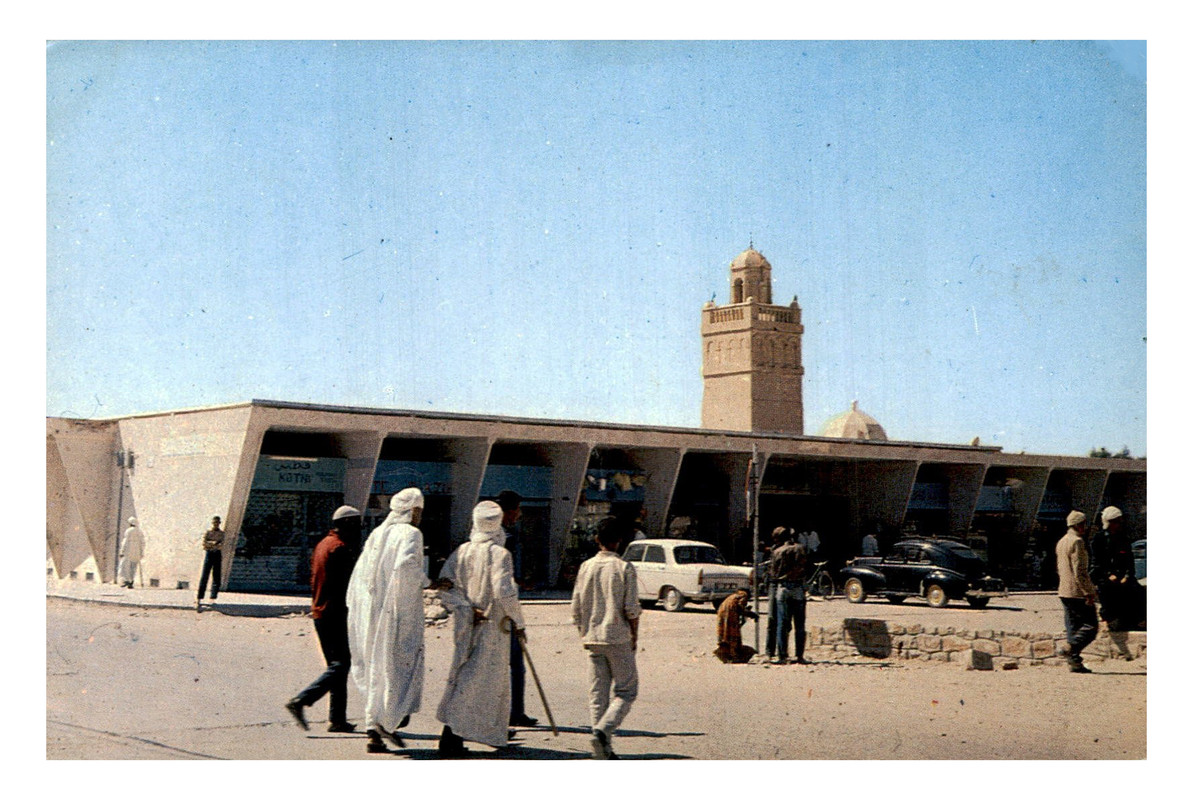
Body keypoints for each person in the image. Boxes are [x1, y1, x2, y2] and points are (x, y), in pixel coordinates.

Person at [345, 488, 439, 754]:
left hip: (370, 615)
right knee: (395, 668)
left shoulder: (377, 534)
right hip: (396, 614)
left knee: (377, 669)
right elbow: (407, 567)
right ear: (413, 510)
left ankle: (375, 728)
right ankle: (386, 721)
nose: (420, 515)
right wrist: (430, 582)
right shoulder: (411, 534)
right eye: (418, 510)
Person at [436, 501, 526, 757]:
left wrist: (464, 608)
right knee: (476, 681)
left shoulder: (462, 551)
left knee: (477, 679)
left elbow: (446, 585)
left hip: (467, 627)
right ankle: (451, 737)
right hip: (492, 628)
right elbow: (504, 591)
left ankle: (490, 731)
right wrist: (519, 622)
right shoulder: (500, 555)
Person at [286, 505, 363, 734]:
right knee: (341, 664)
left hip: (321, 611)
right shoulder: (340, 548)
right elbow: (352, 585)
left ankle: (337, 719)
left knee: (336, 665)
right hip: (335, 612)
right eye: (356, 525)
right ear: (347, 525)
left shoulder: (324, 544)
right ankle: (301, 700)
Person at [572, 517, 641, 759]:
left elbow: (576, 607)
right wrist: (634, 635)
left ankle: (602, 748)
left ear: (596, 539)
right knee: (626, 691)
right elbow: (631, 607)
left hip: (592, 637)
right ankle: (604, 731)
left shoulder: (586, 566)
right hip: (617, 636)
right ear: (619, 540)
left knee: (597, 694)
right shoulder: (624, 567)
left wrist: (584, 632)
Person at [497, 489, 537, 728]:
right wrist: (518, 622)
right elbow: (505, 582)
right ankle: (514, 712)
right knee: (515, 664)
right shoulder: (505, 540)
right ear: (510, 512)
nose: (519, 514)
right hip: (504, 611)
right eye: (518, 510)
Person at [1056, 510, 1099, 673]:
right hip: (1076, 592)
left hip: (1064, 590)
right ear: (1078, 525)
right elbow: (1080, 571)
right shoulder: (1077, 542)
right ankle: (1070, 647)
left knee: (1073, 628)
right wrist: (1088, 591)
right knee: (1090, 626)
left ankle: (1075, 662)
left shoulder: (1061, 541)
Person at [1091, 506, 1138, 632]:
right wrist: (1108, 574)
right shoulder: (1099, 539)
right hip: (1105, 578)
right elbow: (1097, 562)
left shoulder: (1123, 538)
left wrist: (1127, 576)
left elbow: (1129, 559)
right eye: (1116, 521)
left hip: (1123, 577)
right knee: (1108, 596)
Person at [770, 529, 809, 664]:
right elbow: (804, 567)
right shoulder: (800, 549)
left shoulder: (777, 552)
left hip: (783, 588)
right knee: (799, 624)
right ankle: (799, 656)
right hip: (797, 587)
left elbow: (773, 573)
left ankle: (782, 655)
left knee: (782, 624)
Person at [714, 588, 758, 664]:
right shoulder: (744, 595)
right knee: (733, 634)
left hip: (723, 613)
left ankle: (727, 652)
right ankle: (733, 654)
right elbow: (740, 606)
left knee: (726, 633)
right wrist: (751, 614)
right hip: (730, 614)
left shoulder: (734, 596)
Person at [763, 526, 786, 660]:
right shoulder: (776, 549)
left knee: (776, 620)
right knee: (778, 620)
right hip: (777, 584)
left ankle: (773, 651)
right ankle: (774, 651)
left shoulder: (780, 550)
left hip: (776, 584)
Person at [196, 516, 224, 610]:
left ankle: (213, 597)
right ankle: (199, 597)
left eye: (217, 522)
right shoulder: (208, 533)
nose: (215, 524)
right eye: (214, 522)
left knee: (216, 576)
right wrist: (213, 544)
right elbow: (205, 544)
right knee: (205, 575)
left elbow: (221, 545)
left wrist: (212, 544)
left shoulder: (221, 534)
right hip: (210, 554)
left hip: (217, 554)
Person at [118, 517, 144, 588]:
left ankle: (125, 580)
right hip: (137, 551)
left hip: (128, 550)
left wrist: (122, 550)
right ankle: (131, 580)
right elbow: (142, 543)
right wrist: (141, 552)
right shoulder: (140, 531)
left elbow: (125, 541)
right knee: (133, 566)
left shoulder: (128, 531)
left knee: (124, 566)